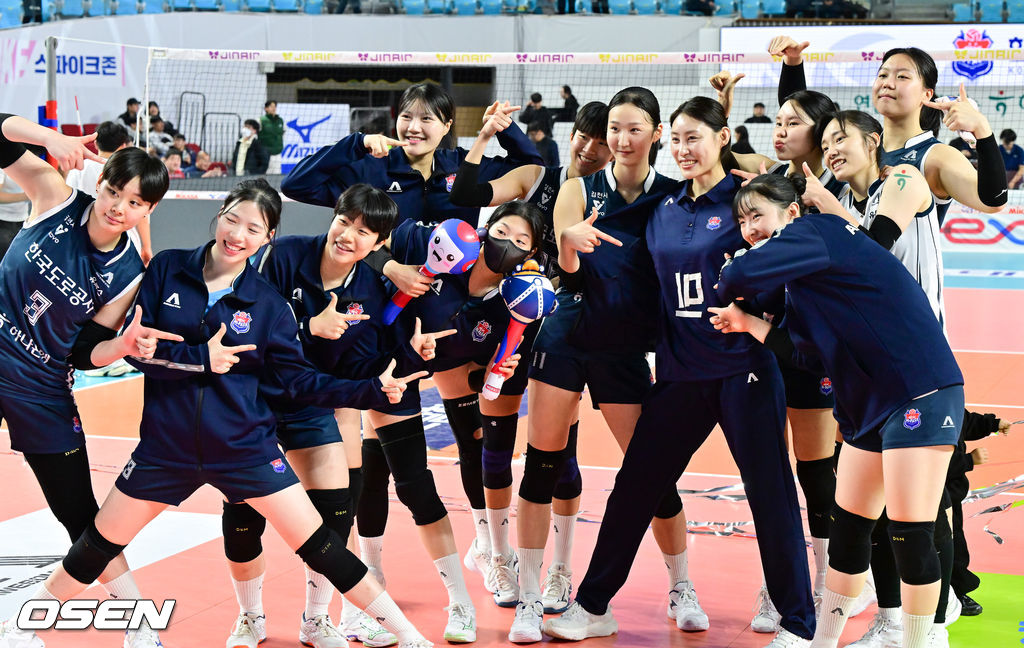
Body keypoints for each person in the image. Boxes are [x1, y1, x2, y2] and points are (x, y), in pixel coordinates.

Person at [0, 178, 434, 648]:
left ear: (267, 238)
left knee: (324, 547)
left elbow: (299, 381)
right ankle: (20, 630)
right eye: (232, 219)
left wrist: (371, 390)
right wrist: (199, 359)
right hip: (165, 450)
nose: (237, 235)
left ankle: (412, 638)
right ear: (220, 214)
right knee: (95, 545)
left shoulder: (268, 305)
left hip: (244, 449)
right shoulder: (167, 268)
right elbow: (141, 354)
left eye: (253, 229)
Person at [543, 96, 815, 648]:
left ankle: (797, 624)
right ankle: (593, 607)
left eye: (696, 138)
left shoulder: (745, 201)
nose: (685, 149)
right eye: (678, 139)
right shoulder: (663, 205)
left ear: (722, 138)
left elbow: (791, 251)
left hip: (744, 371)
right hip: (678, 374)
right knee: (635, 487)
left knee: (771, 494)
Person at [710, 172, 966, 648]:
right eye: (740, 222)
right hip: (865, 408)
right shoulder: (801, 286)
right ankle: (823, 643)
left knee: (910, 535)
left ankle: (921, 640)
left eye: (756, 215)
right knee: (848, 537)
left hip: (919, 391)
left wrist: (734, 269)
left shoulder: (818, 230)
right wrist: (747, 322)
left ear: (791, 212)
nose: (748, 229)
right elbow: (807, 357)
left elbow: (737, 276)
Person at [219, 183, 447, 648]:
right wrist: (308, 327)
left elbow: (362, 367)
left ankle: (317, 619)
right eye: (344, 222)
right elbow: (246, 328)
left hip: (311, 404)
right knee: (242, 516)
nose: (348, 235)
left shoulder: (371, 291)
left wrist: (410, 356)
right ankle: (250, 616)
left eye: (364, 232)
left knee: (336, 514)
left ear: (378, 243)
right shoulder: (283, 256)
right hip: (253, 401)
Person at [519, 87, 694, 644]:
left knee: (651, 474)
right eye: (614, 128)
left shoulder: (674, 196)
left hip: (625, 347)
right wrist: (569, 243)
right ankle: (530, 597)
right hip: (567, 335)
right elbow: (568, 270)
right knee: (541, 467)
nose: (620, 139)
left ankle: (681, 586)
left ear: (657, 134)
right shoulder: (578, 189)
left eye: (634, 128)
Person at [0, 112, 169, 648]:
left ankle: (138, 623)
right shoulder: (53, 197)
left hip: (41, 385)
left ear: (148, 211)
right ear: (100, 183)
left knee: (78, 512)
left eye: (135, 203)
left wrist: (120, 346)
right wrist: (49, 138)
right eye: (114, 192)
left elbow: (82, 353)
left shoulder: (128, 274)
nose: (119, 207)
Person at [354, 204, 530, 642]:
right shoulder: (431, 241)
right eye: (502, 231)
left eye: (521, 240)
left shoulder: (509, 303)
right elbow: (367, 246)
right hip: (382, 366)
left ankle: (465, 593)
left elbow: (483, 366)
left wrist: (495, 372)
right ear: (485, 232)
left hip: (426, 368)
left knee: (424, 479)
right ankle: (369, 577)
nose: (507, 243)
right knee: (377, 472)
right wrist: (394, 269)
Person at [280, 83, 543, 229]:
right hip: (381, 287)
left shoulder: (464, 166)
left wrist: (505, 129)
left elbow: (532, 171)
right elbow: (295, 185)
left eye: (426, 119)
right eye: (406, 117)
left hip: (451, 292)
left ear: (447, 126)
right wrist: (357, 143)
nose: (413, 128)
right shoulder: (369, 168)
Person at [0, 166, 28, 260]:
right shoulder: (3, 166)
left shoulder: (32, 162)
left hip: (23, 221)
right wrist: (26, 196)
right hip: (3, 221)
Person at [261, 100, 286, 175]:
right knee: (265, 174)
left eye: (275, 106)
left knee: (277, 173)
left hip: (277, 152)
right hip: (265, 153)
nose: (274, 108)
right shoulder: (261, 120)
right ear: (266, 108)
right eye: (271, 106)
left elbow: (283, 133)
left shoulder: (280, 120)